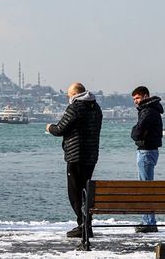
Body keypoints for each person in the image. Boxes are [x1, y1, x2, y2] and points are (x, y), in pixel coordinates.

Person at [47, 82, 103, 238]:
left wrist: (49, 127)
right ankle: (87, 224)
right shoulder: (96, 108)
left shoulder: (76, 107)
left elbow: (60, 129)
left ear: (74, 94)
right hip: (91, 155)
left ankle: (82, 225)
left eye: (69, 94)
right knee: (86, 190)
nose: (68, 97)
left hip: (75, 156)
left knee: (75, 192)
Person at [130, 85, 164, 233]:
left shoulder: (147, 111)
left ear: (145, 96)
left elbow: (137, 132)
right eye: (134, 99)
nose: (136, 101)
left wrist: (134, 131)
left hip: (146, 151)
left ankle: (149, 222)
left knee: (145, 188)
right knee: (146, 185)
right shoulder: (152, 109)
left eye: (137, 98)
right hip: (150, 150)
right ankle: (148, 220)